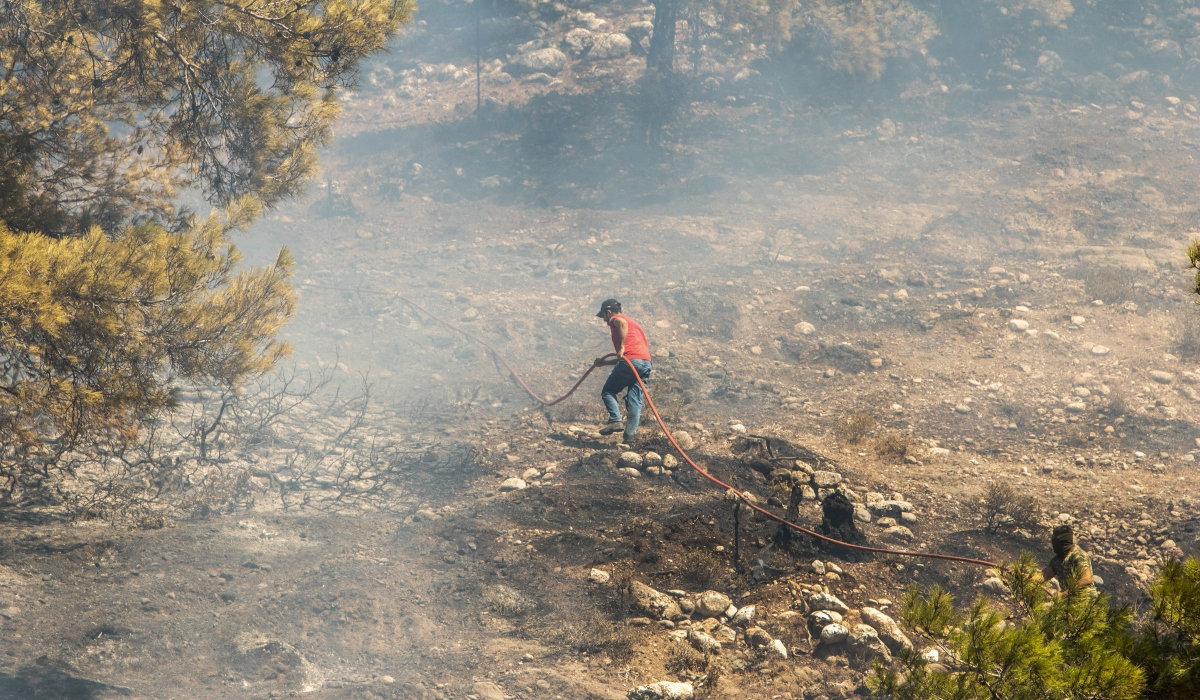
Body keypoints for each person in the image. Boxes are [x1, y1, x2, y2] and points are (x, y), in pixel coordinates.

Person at [592, 299, 652, 443]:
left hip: (631, 361)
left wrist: (622, 346)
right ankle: (630, 437)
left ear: (608, 312)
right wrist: (605, 362)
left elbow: (621, 325)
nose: (605, 321)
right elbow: (627, 357)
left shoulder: (616, 319)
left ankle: (615, 420)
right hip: (645, 363)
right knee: (635, 400)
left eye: (603, 317)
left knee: (608, 391)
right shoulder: (634, 323)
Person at [1040, 524, 1096, 594]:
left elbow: (1087, 579)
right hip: (1069, 601)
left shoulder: (1078, 555)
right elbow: (1043, 576)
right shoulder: (1057, 560)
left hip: (1087, 601)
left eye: (1055, 540)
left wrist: (1064, 594)